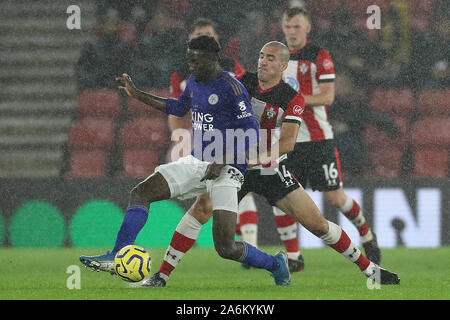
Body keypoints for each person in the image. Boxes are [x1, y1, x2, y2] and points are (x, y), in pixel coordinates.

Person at [144, 41, 400, 287]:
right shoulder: (241, 83)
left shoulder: (292, 98)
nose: (263, 62)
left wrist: (253, 158)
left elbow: (287, 143)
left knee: (317, 224)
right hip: (235, 166)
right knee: (200, 210)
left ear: (283, 67)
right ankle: (162, 275)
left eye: (270, 58)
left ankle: (371, 270)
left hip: (270, 168)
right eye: (261, 56)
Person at [79, 36, 291, 286]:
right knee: (141, 192)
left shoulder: (231, 88)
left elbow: (251, 132)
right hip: (197, 161)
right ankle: (117, 254)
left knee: (226, 247)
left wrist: (223, 160)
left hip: (229, 168)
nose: (190, 64)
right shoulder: (194, 81)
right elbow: (178, 108)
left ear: (212, 60)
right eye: (188, 59)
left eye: (196, 60)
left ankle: (277, 265)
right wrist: (137, 94)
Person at [167, 18, 303, 271]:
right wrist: (181, 140)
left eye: (208, 35)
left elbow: (244, 95)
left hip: (235, 144)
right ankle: (261, 256)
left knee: (230, 197)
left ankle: (255, 251)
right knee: (208, 204)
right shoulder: (182, 71)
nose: (204, 39)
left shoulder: (232, 69)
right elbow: (176, 111)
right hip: (205, 143)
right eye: (199, 35)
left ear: (216, 40)